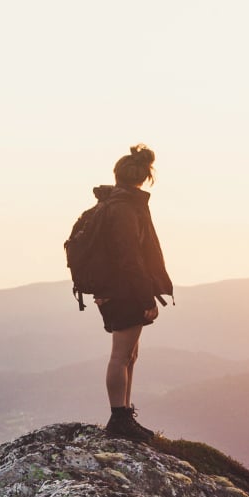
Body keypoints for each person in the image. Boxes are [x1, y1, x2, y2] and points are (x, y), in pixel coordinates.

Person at [91, 144, 173, 441]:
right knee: (121, 354)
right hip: (124, 290)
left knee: (129, 354)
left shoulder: (112, 203)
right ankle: (119, 417)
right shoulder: (125, 208)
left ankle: (124, 413)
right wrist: (146, 297)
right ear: (144, 177)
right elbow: (130, 258)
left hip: (114, 289)